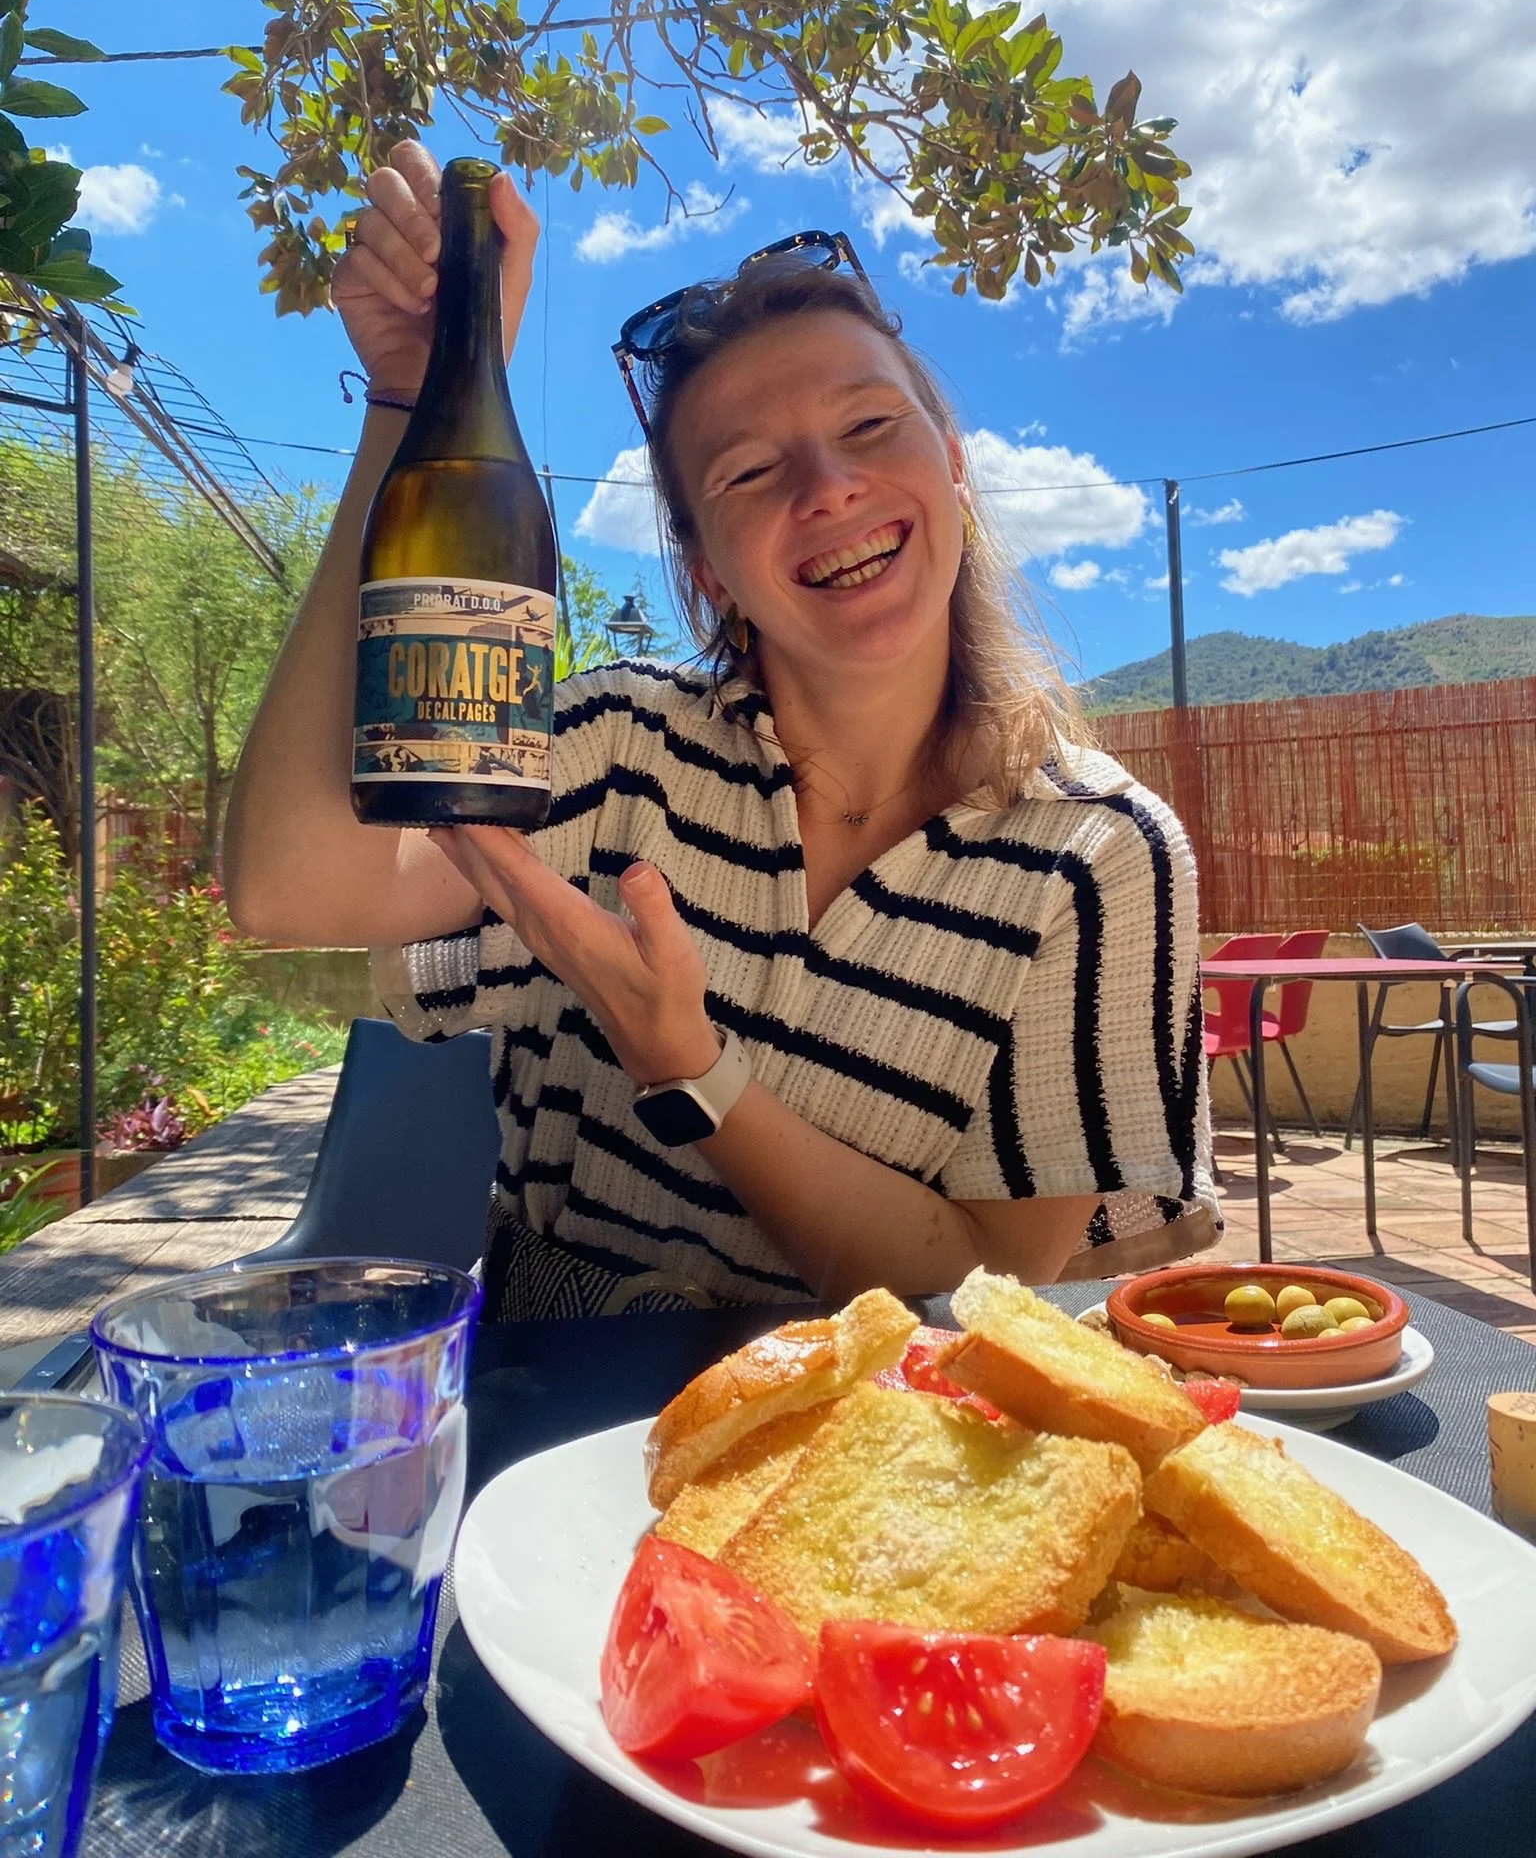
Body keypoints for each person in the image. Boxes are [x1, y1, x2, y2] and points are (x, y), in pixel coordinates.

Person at [224, 141, 1219, 1322]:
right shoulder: (615, 747)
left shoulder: (1099, 853)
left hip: (882, 1417)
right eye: (749, 472)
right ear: (705, 570)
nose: (828, 486)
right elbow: (288, 887)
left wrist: (689, 1068)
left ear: (953, 467)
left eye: (869, 424)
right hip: (558, 1397)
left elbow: (990, 1291)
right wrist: (407, 403)